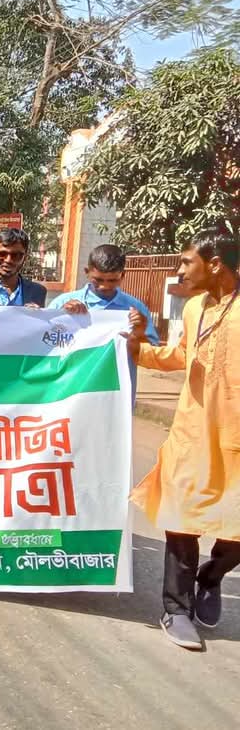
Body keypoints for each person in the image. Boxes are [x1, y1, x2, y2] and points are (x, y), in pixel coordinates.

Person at [124, 226, 240, 651]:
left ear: (215, 264)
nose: (180, 271)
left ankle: (212, 575)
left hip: (235, 441)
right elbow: (180, 355)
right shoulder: (193, 308)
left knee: (235, 533)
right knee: (181, 523)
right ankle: (176, 609)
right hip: (192, 435)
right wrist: (139, 346)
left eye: (187, 262)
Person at [48, 244, 160, 344]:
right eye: (98, 280)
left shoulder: (136, 309)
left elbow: (152, 351)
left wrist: (139, 334)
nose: (104, 286)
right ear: (87, 272)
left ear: (122, 275)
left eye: (112, 280)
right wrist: (61, 316)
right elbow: (45, 341)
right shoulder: (62, 303)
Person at [0, 228, 47, 307]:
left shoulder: (38, 291)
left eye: (16, 255)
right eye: (2, 254)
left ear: (25, 258)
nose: (8, 260)